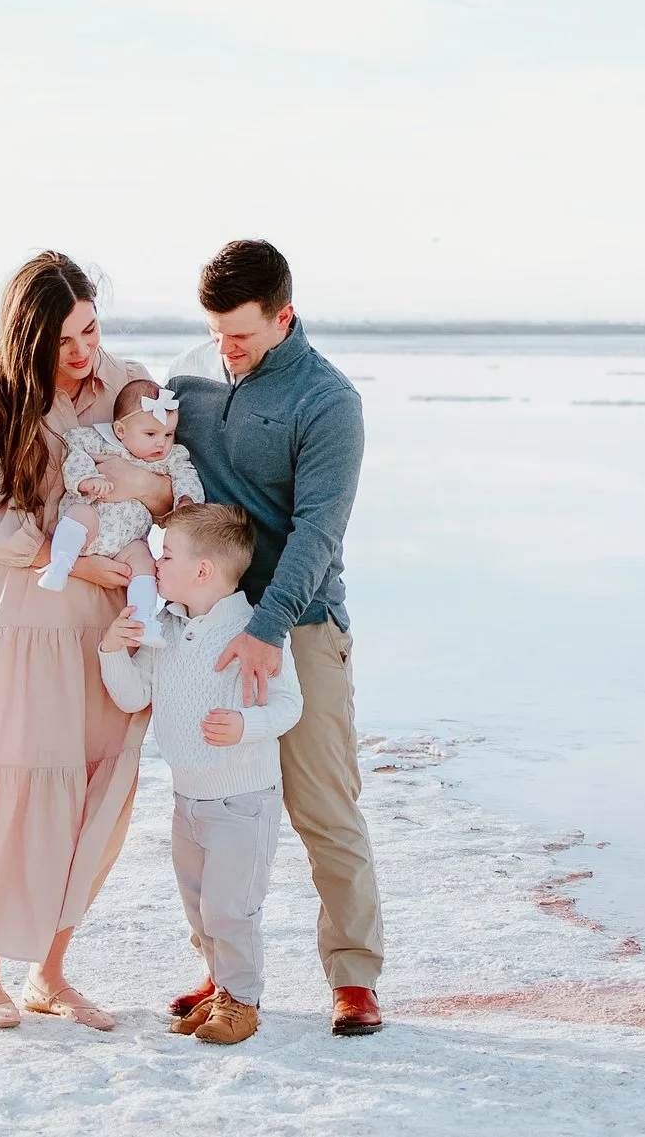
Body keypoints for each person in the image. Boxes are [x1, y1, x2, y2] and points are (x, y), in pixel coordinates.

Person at [0, 251, 177, 1029]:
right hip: (16, 618)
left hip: (102, 627)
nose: (82, 353)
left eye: (90, 329)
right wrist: (83, 561)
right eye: (64, 342)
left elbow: (162, 447)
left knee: (93, 790)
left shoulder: (119, 379)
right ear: (27, 339)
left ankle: (50, 969)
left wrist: (144, 482)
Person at [167, 238, 385, 1037]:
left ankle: (354, 976)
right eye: (218, 332)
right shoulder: (189, 373)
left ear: (284, 317)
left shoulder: (329, 401)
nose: (226, 350)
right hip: (207, 630)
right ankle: (223, 975)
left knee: (324, 806)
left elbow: (317, 531)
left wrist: (267, 629)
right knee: (213, 809)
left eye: (243, 336)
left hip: (302, 627)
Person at [95, 501, 303, 1047]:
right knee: (199, 908)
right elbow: (134, 693)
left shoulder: (254, 630)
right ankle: (219, 990)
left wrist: (245, 724)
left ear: (203, 570)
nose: (155, 565)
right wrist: (113, 648)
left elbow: (288, 707)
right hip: (187, 801)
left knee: (230, 908)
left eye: (166, 556)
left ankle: (242, 1001)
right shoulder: (166, 626)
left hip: (243, 800)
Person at [60, 377, 204, 641]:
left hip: (129, 542)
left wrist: (186, 499)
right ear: (121, 430)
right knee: (79, 516)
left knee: (145, 564)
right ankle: (60, 563)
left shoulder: (171, 458)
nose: (161, 443)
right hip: (95, 522)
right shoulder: (102, 442)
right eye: (151, 434)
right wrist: (84, 480)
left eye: (168, 434)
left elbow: (186, 475)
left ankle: (143, 621)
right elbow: (73, 449)